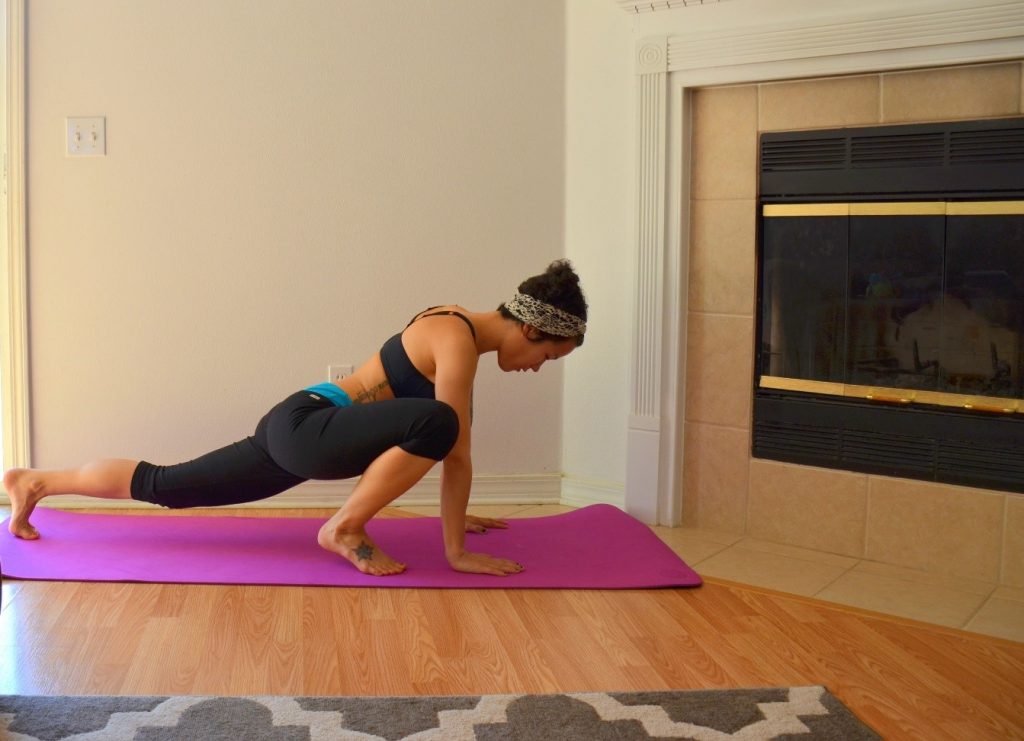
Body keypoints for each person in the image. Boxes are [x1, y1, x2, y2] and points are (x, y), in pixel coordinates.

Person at [3, 260, 587, 577]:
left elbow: (439, 451)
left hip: (300, 424)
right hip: (309, 429)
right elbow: (453, 447)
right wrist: (456, 552)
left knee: (166, 485)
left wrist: (460, 517)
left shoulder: (455, 324)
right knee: (440, 422)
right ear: (534, 329)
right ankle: (344, 529)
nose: (538, 368)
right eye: (548, 357)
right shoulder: (457, 342)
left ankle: (37, 482)